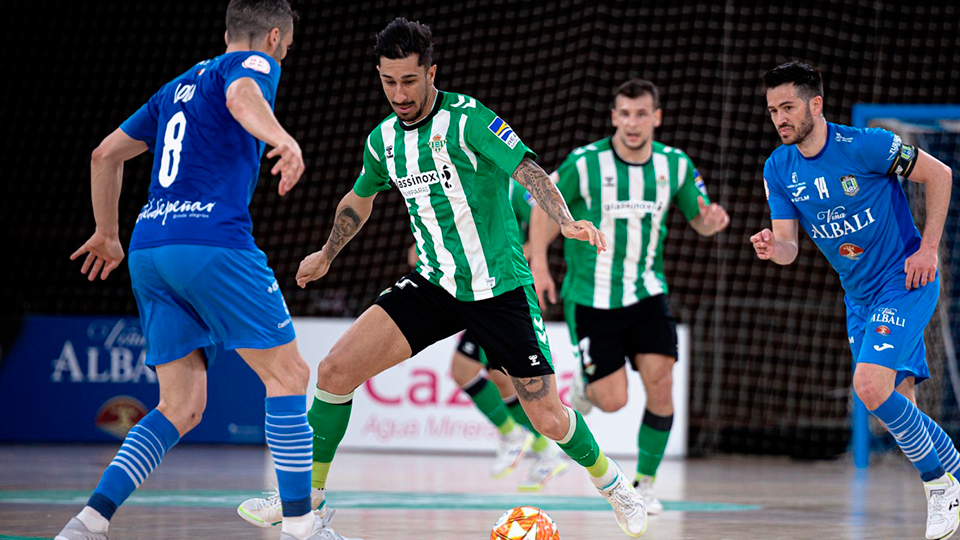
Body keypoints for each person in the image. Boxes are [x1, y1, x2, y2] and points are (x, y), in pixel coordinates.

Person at [239, 17, 648, 538]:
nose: (399, 94)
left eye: (410, 80)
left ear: (432, 72)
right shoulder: (383, 140)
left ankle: (615, 486)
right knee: (335, 371)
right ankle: (308, 502)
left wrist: (564, 220)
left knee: (546, 415)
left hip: (500, 287)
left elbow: (529, 171)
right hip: (434, 284)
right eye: (389, 82)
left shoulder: (468, 118)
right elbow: (360, 199)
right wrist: (326, 253)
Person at [55, 2, 355, 540]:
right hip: (210, 241)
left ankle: (88, 522)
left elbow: (105, 155)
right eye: (284, 43)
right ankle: (301, 527)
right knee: (287, 375)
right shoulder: (253, 65)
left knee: (181, 406)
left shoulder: (175, 88)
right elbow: (243, 96)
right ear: (273, 36)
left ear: (224, 33)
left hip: (149, 249)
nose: (283, 51)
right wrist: (282, 139)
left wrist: (106, 232)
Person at [751, 61, 959, 540]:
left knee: (868, 386)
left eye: (787, 107)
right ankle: (954, 471)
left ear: (815, 104)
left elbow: (941, 174)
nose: (780, 118)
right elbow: (789, 248)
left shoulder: (865, 144)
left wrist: (928, 249)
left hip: (904, 279)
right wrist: (772, 247)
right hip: (859, 296)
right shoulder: (778, 168)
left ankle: (940, 485)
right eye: (772, 111)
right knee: (892, 408)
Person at [527, 78, 730, 514]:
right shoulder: (585, 162)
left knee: (661, 383)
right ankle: (585, 389)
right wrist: (540, 264)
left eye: (642, 114)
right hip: (591, 298)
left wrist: (713, 221)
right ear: (614, 116)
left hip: (646, 294)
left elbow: (700, 218)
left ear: (656, 118)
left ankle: (646, 483)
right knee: (612, 400)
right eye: (625, 113)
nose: (632, 123)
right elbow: (542, 203)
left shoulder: (675, 165)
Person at [432, 180, 567, 491]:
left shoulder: (508, 185)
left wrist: (525, 252)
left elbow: (547, 217)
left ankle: (515, 435)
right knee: (501, 378)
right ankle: (543, 452)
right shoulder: (457, 184)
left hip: (508, 293)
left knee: (465, 369)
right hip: (477, 294)